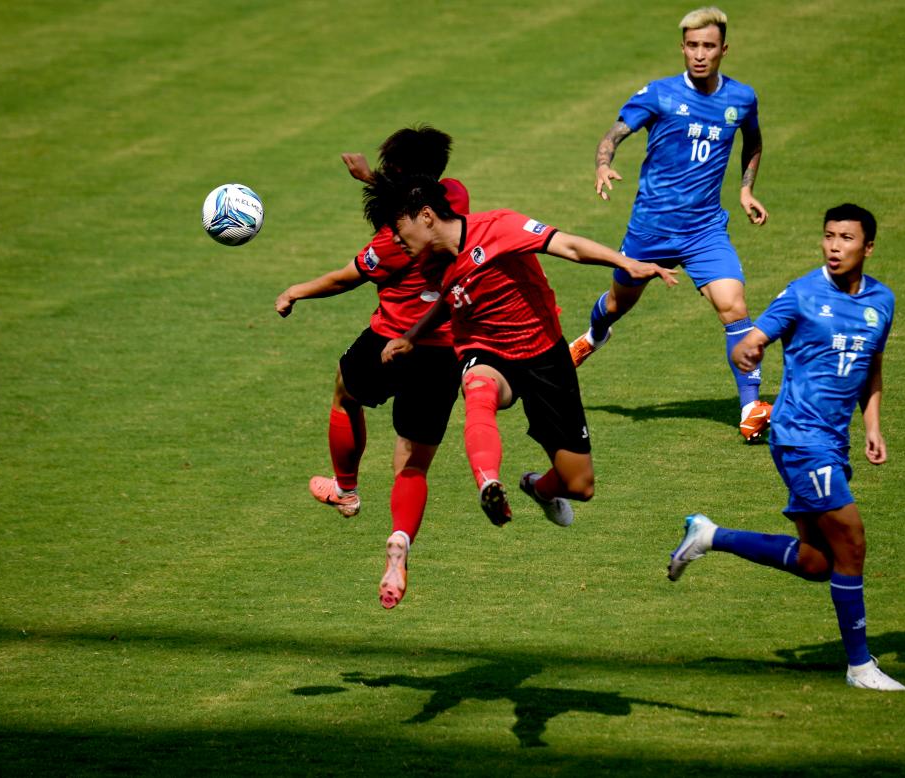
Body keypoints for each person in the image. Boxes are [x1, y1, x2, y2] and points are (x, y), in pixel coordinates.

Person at [667, 204, 905, 691]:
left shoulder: (881, 301)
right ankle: (860, 667)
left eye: (846, 238)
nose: (834, 246)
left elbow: (871, 368)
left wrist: (873, 426)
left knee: (817, 562)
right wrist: (748, 349)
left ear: (868, 247)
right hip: (799, 437)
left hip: (833, 442)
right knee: (853, 543)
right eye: (829, 236)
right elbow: (751, 339)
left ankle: (710, 535)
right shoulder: (802, 293)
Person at [367, 174, 679, 527]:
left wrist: (625, 263)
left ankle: (539, 488)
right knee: (478, 389)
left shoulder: (499, 227)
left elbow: (569, 246)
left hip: (544, 355)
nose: (395, 239)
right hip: (484, 349)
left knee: (580, 485)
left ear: (426, 216)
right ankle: (489, 483)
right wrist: (413, 335)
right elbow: (452, 295)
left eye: (398, 229)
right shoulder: (428, 259)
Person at [275, 126, 468, 609]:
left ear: (396, 172)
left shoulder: (391, 243)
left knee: (346, 391)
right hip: (444, 351)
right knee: (412, 464)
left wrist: (295, 291)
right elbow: (416, 192)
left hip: (389, 340)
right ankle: (400, 543)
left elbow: (345, 278)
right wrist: (373, 179)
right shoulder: (456, 198)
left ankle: (346, 490)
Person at [569, 6, 772, 442]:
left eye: (708, 46)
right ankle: (594, 336)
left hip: (704, 231)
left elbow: (753, 140)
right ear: (682, 47)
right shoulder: (659, 94)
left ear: (723, 49)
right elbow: (613, 135)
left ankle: (750, 408)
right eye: (692, 46)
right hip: (651, 229)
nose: (699, 54)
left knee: (734, 306)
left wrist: (745, 190)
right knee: (617, 304)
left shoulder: (741, 98)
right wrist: (603, 164)